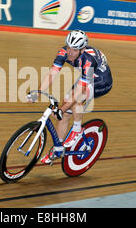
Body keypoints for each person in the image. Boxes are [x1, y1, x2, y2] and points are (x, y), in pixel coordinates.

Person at [27, 30, 113, 164]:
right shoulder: (63, 53)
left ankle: (77, 129)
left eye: (74, 50)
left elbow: (79, 91)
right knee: (65, 111)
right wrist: (38, 91)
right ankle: (58, 149)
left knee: (76, 99)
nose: (70, 52)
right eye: (68, 48)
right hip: (87, 78)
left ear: (82, 49)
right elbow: (52, 74)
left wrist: (61, 109)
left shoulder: (89, 60)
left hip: (102, 81)